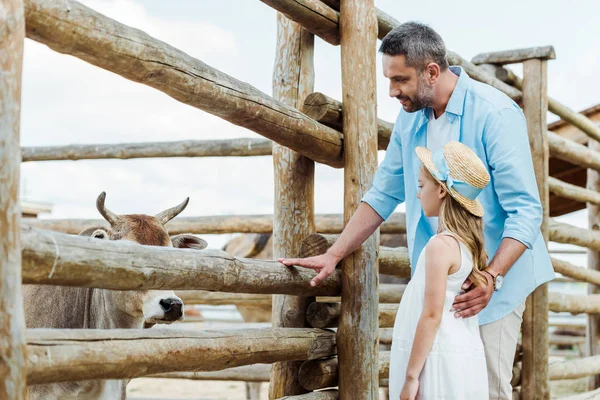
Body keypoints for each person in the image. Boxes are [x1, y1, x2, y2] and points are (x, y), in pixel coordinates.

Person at [279, 21, 555, 399]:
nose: (392, 92)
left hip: (493, 279)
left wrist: (491, 276)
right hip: (439, 279)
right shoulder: (410, 120)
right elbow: (382, 194)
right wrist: (334, 253)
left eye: (400, 80)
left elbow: (526, 211)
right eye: (389, 80)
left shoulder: (495, 114)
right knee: (433, 385)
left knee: (486, 387)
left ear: (431, 71)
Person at [391, 141, 490, 400]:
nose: (417, 194)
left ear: (442, 190)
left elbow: (432, 314)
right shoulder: (464, 244)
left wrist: (411, 377)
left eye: (422, 186)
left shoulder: (440, 245)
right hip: (457, 355)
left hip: (435, 358)